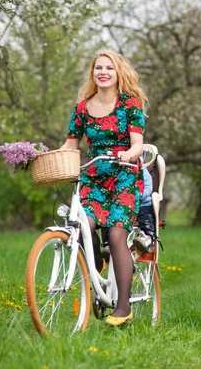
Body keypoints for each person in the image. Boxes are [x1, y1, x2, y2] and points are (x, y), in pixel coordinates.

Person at [60, 50, 147, 327]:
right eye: (99, 68)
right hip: (94, 176)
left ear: (118, 72)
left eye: (109, 68)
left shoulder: (129, 105)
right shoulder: (83, 107)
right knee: (81, 224)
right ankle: (96, 270)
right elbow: (71, 145)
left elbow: (138, 143)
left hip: (124, 176)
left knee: (117, 233)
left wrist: (130, 154)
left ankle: (122, 307)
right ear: (93, 73)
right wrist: (42, 155)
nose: (103, 72)